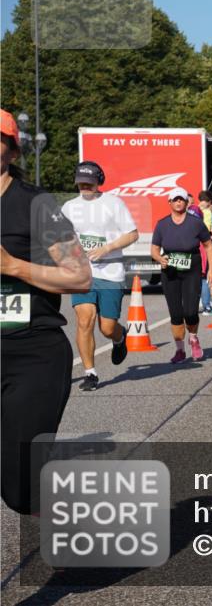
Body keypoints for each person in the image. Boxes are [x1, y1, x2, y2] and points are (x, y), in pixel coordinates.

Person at [1, 109, 91, 514]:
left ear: (12, 151)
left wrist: (13, 266)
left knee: (20, 491)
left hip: (31, 353)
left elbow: (80, 277)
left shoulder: (36, 205)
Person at [61, 161, 139, 391]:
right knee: (85, 320)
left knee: (107, 327)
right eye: (80, 183)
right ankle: (90, 373)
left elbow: (132, 234)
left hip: (111, 270)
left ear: (99, 182)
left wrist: (107, 248)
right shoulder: (68, 207)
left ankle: (119, 337)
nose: (84, 187)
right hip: (83, 273)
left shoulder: (114, 204)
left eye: (89, 183)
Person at [151, 188, 212, 363]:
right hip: (170, 269)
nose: (178, 202)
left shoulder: (196, 223)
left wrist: (210, 270)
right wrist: (159, 258)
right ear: (169, 203)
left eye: (181, 200)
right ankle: (180, 350)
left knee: (190, 311)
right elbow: (154, 249)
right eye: (175, 200)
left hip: (191, 268)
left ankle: (193, 338)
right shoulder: (162, 224)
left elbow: (209, 245)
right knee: (176, 313)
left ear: (187, 203)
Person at [196, 191, 212, 314]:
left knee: (194, 276)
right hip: (204, 245)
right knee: (205, 277)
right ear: (209, 201)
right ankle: (206, 306)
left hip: (192, 244)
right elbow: (210, 232)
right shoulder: (208, 213)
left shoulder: (192, 210)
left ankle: (193, 304)